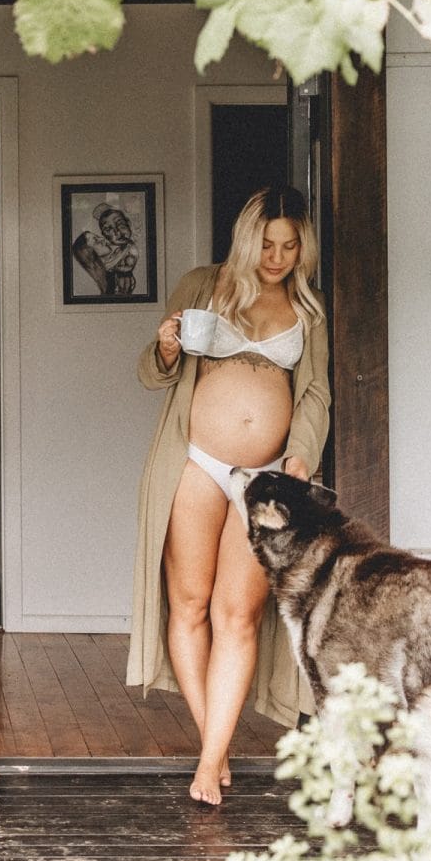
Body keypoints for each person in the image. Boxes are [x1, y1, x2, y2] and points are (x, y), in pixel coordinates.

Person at [124, 186, 331, 805]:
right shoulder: (200, 286)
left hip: (266, 477)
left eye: (290, 246)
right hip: (194, 463)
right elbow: (151, 372)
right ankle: (212, 750)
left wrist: (300, 455)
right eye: (267, 244)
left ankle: (209, 759)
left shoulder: (308, 310)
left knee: (236, 614)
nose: (277, 257)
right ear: (247, 238)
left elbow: (316, 394)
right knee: (188, 606)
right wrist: (164, 347)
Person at [71, 202, 139, 295]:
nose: (103, 239)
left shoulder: (124, 251)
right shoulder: (111, 278)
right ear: (91, 255)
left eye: (121, 224)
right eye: (97, 241)